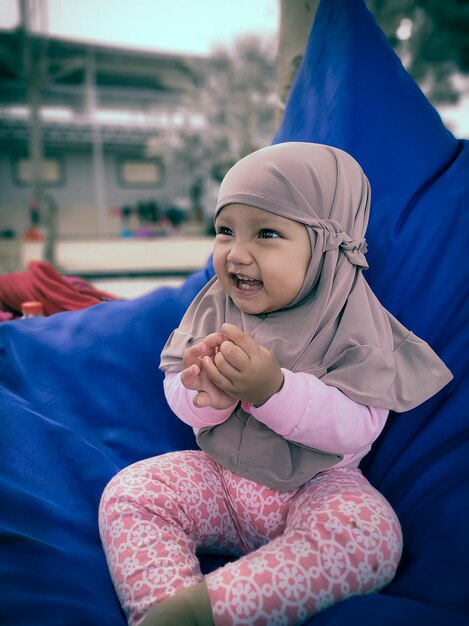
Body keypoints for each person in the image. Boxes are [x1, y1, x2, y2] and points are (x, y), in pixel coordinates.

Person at [99, 142, 453, 626]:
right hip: (220, 478)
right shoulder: (217, 303)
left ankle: (206, 610)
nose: (237, 253)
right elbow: (177, 388)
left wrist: (273, 393)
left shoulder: (351, 318)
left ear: (327, 246)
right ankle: (162, 604)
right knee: (131, 491)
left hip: (317, 487)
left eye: (266, 233)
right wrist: (205, 395)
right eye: (225, 231)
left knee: (370, 537)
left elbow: (358, 428)